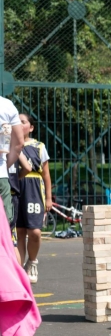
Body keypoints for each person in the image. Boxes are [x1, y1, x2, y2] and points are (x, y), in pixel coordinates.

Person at [13, 114, 51, 284]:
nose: (20, 125)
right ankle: (19, 271)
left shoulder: (38, 146)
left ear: (31, 127)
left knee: (34, 232)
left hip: (34, 189)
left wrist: (48, 198)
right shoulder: (11, 145)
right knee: (19, 232)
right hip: (16, 187)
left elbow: (46, 174)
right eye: (17, 122)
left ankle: (32, 261)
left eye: (23, 122)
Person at [0, 98, 25, 230]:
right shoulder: (6, 105)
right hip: (1, 173)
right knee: (4, 225)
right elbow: (18, 144)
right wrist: (4, 166)